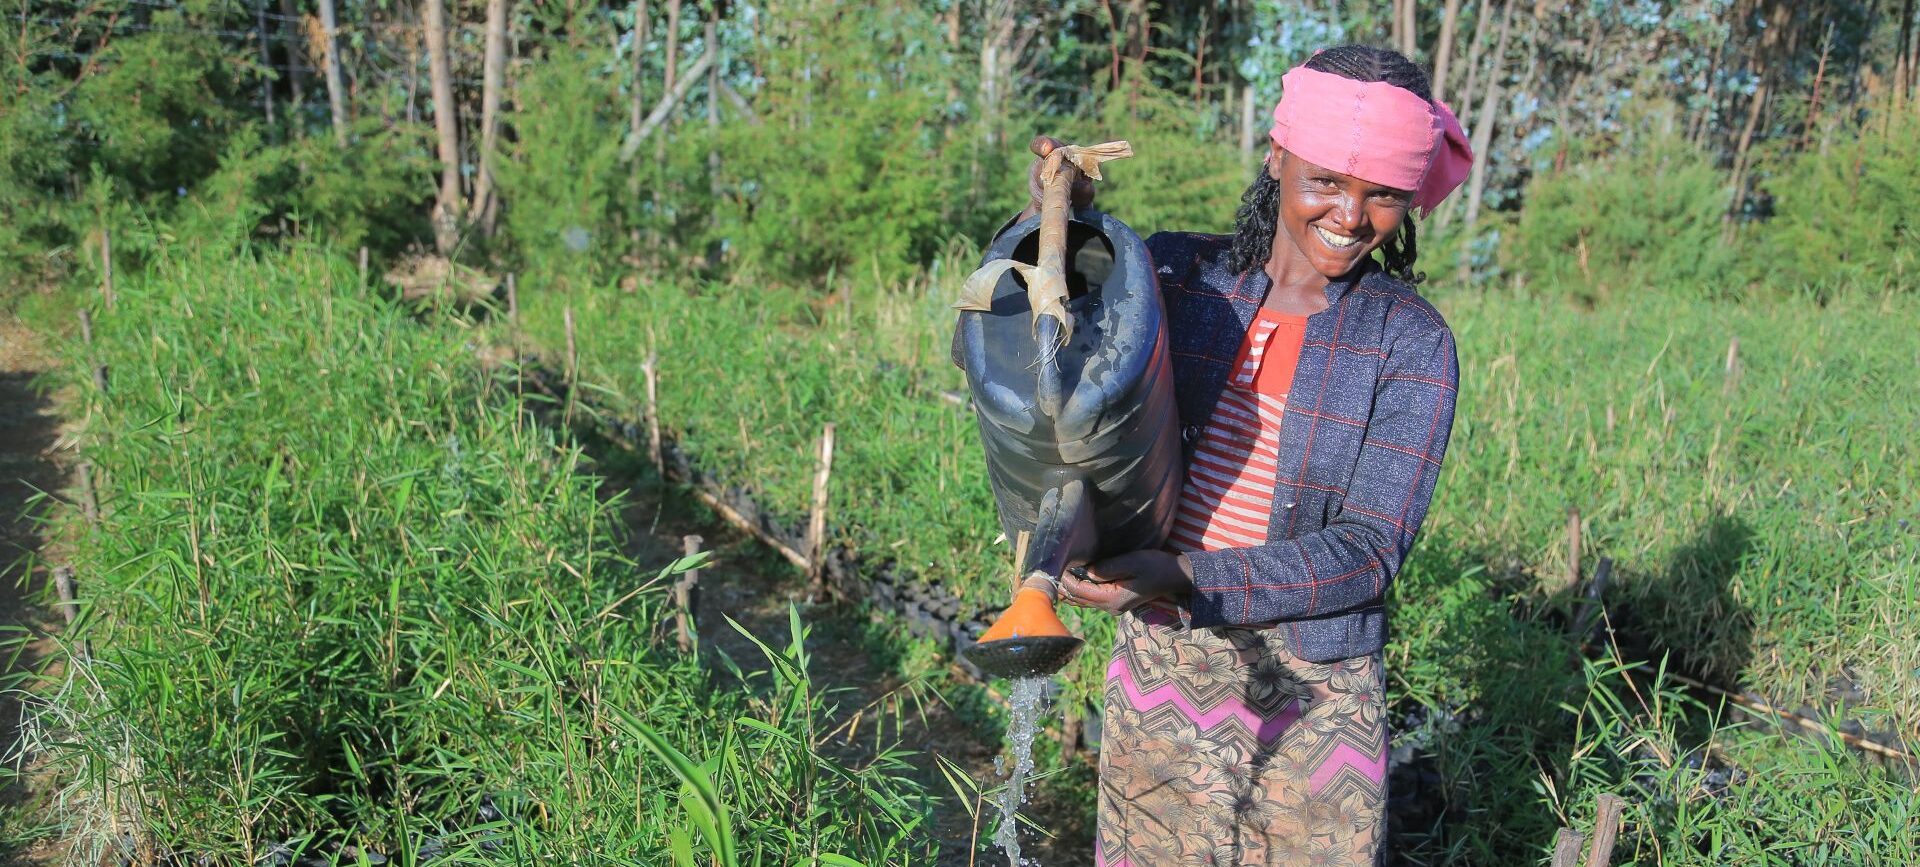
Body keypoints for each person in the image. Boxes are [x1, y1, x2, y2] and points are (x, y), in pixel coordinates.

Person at [1027, 45, 1472, 865]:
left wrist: (1191, 577)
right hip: (1160, 662)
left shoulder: (1409, 342)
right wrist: (1068, 219)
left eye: (1383, 195)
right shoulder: (1172, 272)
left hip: (1315, 697)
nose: (1351, 213)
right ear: (1277, 157)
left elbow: (1369, 551)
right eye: (1327, 181)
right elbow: (1059, 340)